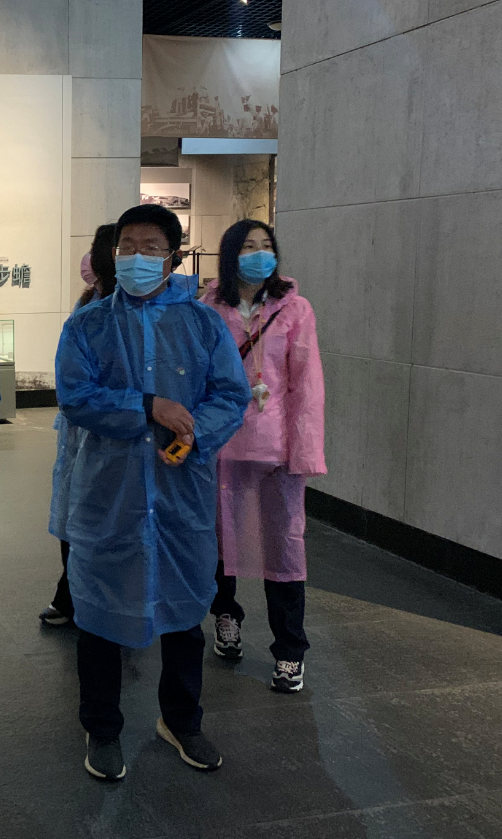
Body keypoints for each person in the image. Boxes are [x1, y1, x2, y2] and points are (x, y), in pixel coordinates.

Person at [55, 204, 250, 781]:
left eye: (150, 247)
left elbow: (230, 396)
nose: (136, 257)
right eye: (127, 246)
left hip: (179, 491)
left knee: (184, 607)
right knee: (98, 613)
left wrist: (194, 431)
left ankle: (182, 720)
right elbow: (75, 395)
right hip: (108, 493)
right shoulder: (88, 324)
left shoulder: (203, 324)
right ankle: (102, 727)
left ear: (173, 256)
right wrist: (147, 406)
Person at [199, 219, 325, 693]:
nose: (258, 254)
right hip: (222, 443)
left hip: (276, 448)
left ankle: (290, 649)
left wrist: (303, 452)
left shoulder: (295, 308)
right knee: (219, 539)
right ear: (230, 255)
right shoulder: (209, 308)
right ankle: (226, 617)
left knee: (285, 545)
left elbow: (306, 385)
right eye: (248, 246)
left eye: (266, 245)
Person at [41, 223, 118, 626]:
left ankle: (94, 598)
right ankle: (72, 594)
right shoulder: (88, 303)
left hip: (118, 432)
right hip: (81, 431)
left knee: (113, 521)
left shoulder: (127, 311)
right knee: (74, 518)